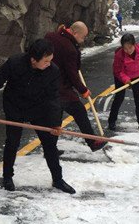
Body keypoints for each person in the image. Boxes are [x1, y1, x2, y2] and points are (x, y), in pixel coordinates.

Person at [0, 39, 75, 194]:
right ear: (33, 59)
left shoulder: (53, 71)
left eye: (50, 60)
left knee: (50, 144)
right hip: (15, 106)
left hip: (39, 108)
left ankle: (58, 179)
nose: (49, 64)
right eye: (45, 61)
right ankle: (7, 176)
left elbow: (53, 98)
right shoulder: (15, 63)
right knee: (12, 142)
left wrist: (55, 124)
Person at [44, 22, 106, 152]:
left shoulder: (51, 36)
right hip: (61, 88)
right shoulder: (70, 49)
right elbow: (72, 73)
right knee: (79, 111)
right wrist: (83, 90)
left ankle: (50, 149)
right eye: (83, 37)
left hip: (46, 84)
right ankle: (92, 142)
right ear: (75, 33)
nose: (83, 40)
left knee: (56, 118)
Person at [107, 33, 139, 131]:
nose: (128, 50)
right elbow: (117, 71)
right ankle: (111, 121)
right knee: (119, 98)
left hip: (136, 76)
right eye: (125, 48)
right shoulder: (119, 55)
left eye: (130, 47)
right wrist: (125, 79)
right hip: (121, 77)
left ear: (134, 44)